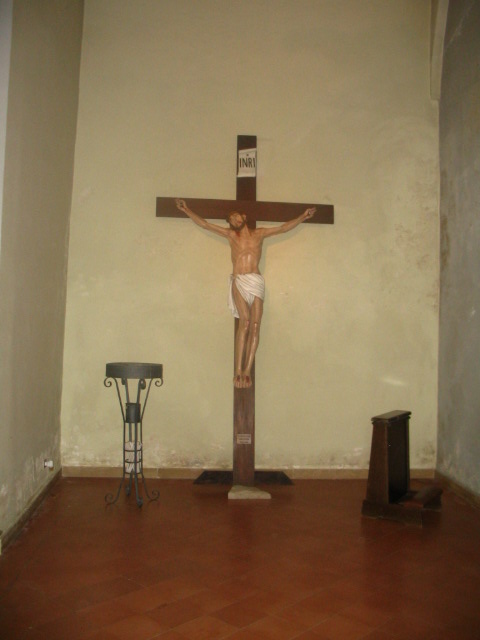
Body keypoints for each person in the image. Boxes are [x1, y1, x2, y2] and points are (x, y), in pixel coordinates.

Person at [175, 199, 316, 388]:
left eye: (236, 217)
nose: (234, 221)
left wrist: (303, 217)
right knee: (245, 322)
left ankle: (247, 370)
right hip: (240, 280)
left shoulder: (260, 234)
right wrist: (186, 210)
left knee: (256, 326)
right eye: (231, 220)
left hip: (256, 280)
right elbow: (206, 225)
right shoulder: (230, 235)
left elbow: (283, 228)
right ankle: (238, 370)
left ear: (244, 217)